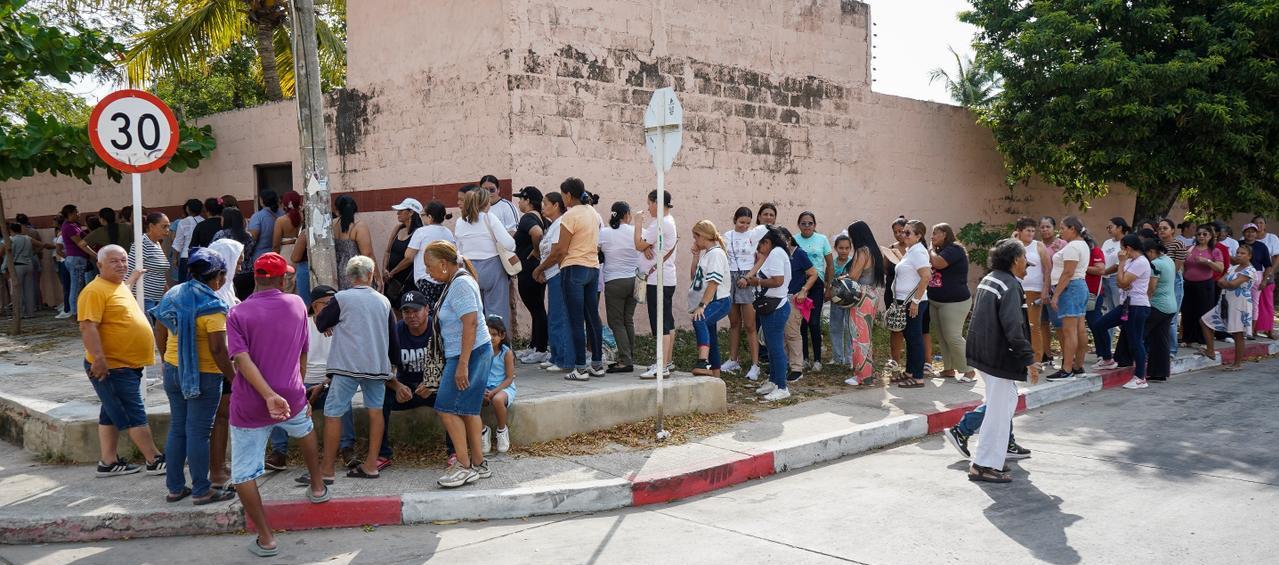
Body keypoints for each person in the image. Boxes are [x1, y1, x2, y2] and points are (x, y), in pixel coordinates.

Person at [225, 252, 329, 558]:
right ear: (282, 279)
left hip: (251, 402)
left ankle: (267, 539)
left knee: (244, 472)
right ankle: (319, 486)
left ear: (256, 277)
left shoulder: (237, 314)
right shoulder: (297, 304)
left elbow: (241, 360)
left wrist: (268, 395)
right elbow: (303, 352)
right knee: (304, 428)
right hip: (293, 392)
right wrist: (294, 385)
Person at [150, 249, 236, 505]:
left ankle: (175, 487)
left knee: (178, 429)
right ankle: (202, 489)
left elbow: (160, 327)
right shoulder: (212, 305)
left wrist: (166, 358)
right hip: (204, 375)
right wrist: (234, 378)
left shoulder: (174, 294)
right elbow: (219, 349)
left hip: (174, 370)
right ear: (218, 276)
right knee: (199, 432)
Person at [77, 245, 166, 477]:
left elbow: (124, 288)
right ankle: (154, 459)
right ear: (100, 265)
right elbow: (87, 326)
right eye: (114, 261)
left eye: (124, 260)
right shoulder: (93, 291)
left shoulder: (117, 286)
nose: (121, 265)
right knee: (132, 411)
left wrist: (135, 277)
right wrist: (98, 358)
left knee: (111, 410)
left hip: (128, 365)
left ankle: (108, 461)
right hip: (113, 366)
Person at [959, 239, 1039, 483]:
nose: (1027, 265)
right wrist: (1029, 359)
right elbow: (1014, 327)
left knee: (1005, 404)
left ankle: (995, 453)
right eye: (1025, 259)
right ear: (1015, 260)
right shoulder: (1010, 286)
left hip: (983, 354)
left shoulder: (991, 278)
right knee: (998, 411)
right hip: (998, 357)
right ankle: (983, 465)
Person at [311, 256, 396, 480]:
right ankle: (371, 465)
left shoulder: (341, 298)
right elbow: (393, 338)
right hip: (376, 366)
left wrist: (331, 323)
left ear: (349, 277)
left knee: (333, 413)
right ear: (370, 275)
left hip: (346, 365)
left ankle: (327, 469)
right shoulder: (383, 301)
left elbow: (320, 323)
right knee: (376, 412)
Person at [422, 241, 494, 488]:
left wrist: (463, 364)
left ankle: (464, 466)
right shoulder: (456, 281)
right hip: (471, 352)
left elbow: (470, 323)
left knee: (445, 407)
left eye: (429, 266)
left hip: (468, 354)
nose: (427, 272)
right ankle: (478, 463)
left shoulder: (460, 283)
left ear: (444, 264)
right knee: (468, 410)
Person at [265, 285, 358, 472]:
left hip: (331, 382)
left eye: (336, 304)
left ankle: (347, 449)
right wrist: (299, 387)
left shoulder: (343, 325)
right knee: (278, 398)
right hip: (301, 383)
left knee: (342, 396)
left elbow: (347, 366)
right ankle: (279, 453)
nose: (334, 308)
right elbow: (288, 361)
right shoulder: (300, 325)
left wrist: (323, 385)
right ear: (315, 306)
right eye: (328, 304)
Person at [379, 290, 455, 469]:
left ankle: (454, 451)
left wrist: (432, 382)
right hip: (405, 388)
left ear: (427, 309)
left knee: (451, 395)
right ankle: (382, 454)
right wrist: (396, 386)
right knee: (379, 398)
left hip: (433, 387)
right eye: (406, 312)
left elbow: (452, 363)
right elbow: (381, 368)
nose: (411, 316)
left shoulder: (438, 329)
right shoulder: (396, 331)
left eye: (416, 310)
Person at [540, 178, 605, 381]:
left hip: (573, 268)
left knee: (575, 319)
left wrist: (540, 268)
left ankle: (580, 367)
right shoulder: (592, 213)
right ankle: (596, 363)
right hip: (592, 268)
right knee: (592, 317)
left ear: (568, 195)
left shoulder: (570, 216)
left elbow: (560, 249)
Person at [1088, 235, 1153, 389]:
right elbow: (1121, 282)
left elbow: (1122, 282)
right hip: (1126, 305)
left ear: (1128, 248)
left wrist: (1122, 264)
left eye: (1123, 248)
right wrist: (1122, 276)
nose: (1122, 252)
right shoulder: (1131, 261)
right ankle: (1107, 358)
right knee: (1099, 325)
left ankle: (1140, 377)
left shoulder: (1141, 262)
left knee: (1135, 340)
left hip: (1137, 306)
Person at [740, 227, 793, 401]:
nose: (758, 251)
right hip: (769, 305)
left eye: (759, 246)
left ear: (767, 242)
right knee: (770, 346)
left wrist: (758, 281)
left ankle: (782, 386)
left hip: (776, 307)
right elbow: (760, 264)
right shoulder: (772, 253)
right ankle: (773, 381)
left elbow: (778, 281)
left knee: (776, 347)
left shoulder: (777, 253)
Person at [456, 188, 517, 336]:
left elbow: (458, 249)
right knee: (497, 311)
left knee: (474, 312)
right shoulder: (490, 218)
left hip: (469, 268)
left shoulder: (460, 221)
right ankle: (500, 349)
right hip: (493, 267)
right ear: (485, 203)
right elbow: (509, 244)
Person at [633, 189, 678, 379]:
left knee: (660, 324)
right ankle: (666, 362)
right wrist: (647, 248)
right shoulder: (669, 221)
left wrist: (637, 224)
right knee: (667, 321)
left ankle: (662, 365)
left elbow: (638, 244)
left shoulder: (660, 223)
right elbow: (650, 246)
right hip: (666, 278)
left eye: (649, 203)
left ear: (657, 203)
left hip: (657, 280)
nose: (648, 208)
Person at [836, 221, 884, 386]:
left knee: (858, 336)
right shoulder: (874, 251)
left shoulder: (862, 251)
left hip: (861, 296)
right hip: (872, 294)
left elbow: (854, 276)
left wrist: (841, 278)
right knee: (866, 336)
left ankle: (862, 376)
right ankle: (868, 373)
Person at [928, 222, 974, 382]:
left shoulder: (955, 249)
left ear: (945, 234)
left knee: (953, 336)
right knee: (942, 336)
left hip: (954, 302)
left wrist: (929, 251)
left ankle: (969, 370)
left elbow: (938, 263)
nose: (932, 236)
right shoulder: (939, 251)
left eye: (935, 233)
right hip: (936, 301)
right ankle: (948, 369)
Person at [533, 193, 574, 372]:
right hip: (551, 275)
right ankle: (556, 355)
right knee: (554, 317)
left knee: (560, 317)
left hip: (558, 274)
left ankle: (564, 359)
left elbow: (557, 252)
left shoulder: (561, 223)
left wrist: (540, 268)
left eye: (546, 204)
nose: (543, 207)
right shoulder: (553, 225)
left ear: (556, 205)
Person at [722, 207, 764, 380]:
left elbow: (761, 258)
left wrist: (748, 277)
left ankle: (755, 364)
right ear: (734, 220)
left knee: (750, 325)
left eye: (748, 223)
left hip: (747, 277)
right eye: (741, 222)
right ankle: (733, 359)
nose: (744, 226)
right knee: (734, 322)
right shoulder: (726, 236)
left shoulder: (754, 236)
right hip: (730, 278)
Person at [1046, 217, 1090, 380]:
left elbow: (1068, 272)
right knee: (1079, 329)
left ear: (1073, 229)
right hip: (1078, 287)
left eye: (1063, 228)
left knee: (1069, 331)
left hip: (1070, 288)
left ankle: (1067, 369)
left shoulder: (1073, 247)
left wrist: (1056, 295)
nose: (1060, 231)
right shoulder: (1081, 244)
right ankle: (1078, 366)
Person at [1199, 245, 1256, 370]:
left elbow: (1232, 284)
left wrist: (1226, 283)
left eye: (1243, 253)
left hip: (1239, 304)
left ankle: (1237, 363)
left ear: (1249, 256)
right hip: (1225, 301)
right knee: (1205, 321)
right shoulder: (1234, 267)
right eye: (1238, 252)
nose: (1239, 255)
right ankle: (1210, 350)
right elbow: (1221, 280)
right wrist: (1226, 283)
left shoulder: (1250, 271)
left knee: (1237, 333)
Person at [600, 200, 641, 373]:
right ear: (627, 215)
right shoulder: (636, 232)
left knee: (616, 322)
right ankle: (629, 355)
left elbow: (596, 250)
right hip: (634, 280)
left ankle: (625, 360)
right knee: (627, 319)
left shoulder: (604, 233)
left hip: (614, 281)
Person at [688, 220, 732, 376]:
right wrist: (695, 256)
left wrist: (702, 305)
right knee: (711, 336)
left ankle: (703, 362)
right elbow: (694, 278)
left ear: (702, 236)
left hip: (718, 300)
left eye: (695, 237)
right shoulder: (707, 254)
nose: (695, 241)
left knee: (699, 320)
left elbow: (714, 283)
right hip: (711, 300)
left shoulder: (716, 254)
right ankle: (715, 373)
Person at [512, 187, 550, 364]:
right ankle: (535, 346)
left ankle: (541, 348)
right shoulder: (543, 218)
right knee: (536, 308)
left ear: (528, 201)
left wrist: (536, 251)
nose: (519, 202)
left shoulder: (528, 217)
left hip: (530, 270)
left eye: (521, 199)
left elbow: (537, 233)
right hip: (535, 270)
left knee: (537, 309)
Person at [893, 220, 932, 388]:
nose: (903, 235)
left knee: (915, 338)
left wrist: (915, 300)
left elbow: (926, 276)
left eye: (908, 232)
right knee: (910, 336)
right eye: (903, 232)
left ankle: (917, 376)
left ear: (918, 236)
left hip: (913, 302)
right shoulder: (911, 251)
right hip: (905, 300)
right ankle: (910, 371)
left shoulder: (918, 252)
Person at [792, 211, 834, 371]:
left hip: (817, 284)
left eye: (810, 223)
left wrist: (828, 287)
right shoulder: (794, 240)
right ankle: (804, 359)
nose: (807, 226)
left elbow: (830, 265)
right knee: (801, 323)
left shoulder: (822, 239)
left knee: (814, 323)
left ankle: (817, 359)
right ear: (799, 225)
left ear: (815, 225)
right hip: (800, 285)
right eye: (803, 223)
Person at [1012, 218, 1051, 370]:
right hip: (1016, 288)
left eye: (1033, 231)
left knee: (1034, 325)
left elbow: (1047, 269)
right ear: (1019, 231)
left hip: (1034, 289)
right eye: (1028, 230)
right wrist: (1013, 239)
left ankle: (1036, 360)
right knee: (1017, 326)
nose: (1031, 234)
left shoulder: (1038, 246)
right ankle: (1020, 359)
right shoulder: (1014, 245)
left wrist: (1045, 290)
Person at [403, 200, 455, 304]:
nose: (421, 218)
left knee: (427, 312)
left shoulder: (421, 232)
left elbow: (408, 256)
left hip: (426, 279)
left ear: (430, 217)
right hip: (445, 280)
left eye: (423, 215)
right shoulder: (448, 233)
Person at [1140, 239, 1177, 381]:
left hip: (1158, 305)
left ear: (1150, 252)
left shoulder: (1155, 264)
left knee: (1139, 334)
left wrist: (1145, 302)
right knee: (1161, 340)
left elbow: (1151, 287)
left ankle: (1134, 364)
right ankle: (1159, 373)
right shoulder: (1168, 260)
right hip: (1170, 306)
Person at [1181, 225, 1225, 345]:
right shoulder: (1190, 248)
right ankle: (1188, 338)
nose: (1201, 236)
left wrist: (1207, 262)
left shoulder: (1215, 251)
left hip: (1205, 284)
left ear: (1210, 236)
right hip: (1188, 284)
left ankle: (1203, 340)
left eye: (1205, 234)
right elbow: (1183, 265)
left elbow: (1220, 268)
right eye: (1199, 234)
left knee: (1203, 312)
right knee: (1188, 311)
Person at [482, 315, 517, 453]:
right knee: (472, 398)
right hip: (486, 387)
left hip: (504, 387)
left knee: (497, 400)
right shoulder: (482, 352)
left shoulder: (506, 353)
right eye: (488, 334)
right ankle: (483, 430)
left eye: (494, 334)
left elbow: (509, 379)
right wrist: (482, 390)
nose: (491, 338)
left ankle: (502, 430)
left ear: (502, 335)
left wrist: (493, 392)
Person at [127, 213, 172, 318]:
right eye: (164, 226)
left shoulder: (156, 243)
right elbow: (130, 271)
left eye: (168, 226)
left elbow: (159, 273)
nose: (167, 230)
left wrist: (168, 293)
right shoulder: (141, 244)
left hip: (157, 299)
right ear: (151, 226)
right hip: (144, 299)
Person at [331, 195, 380, 290]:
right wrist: (377, 277)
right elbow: (368, 254)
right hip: (357, 271)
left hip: (337, 271)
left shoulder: (332, 224)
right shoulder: (359, 226)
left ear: (337, 210)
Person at [383, 198, 424, 310]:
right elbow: (387, 251)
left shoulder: (419, 232)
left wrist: (392, 272)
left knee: (406, 309)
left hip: (406, 279)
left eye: (401, 210)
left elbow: (409, 259)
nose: (398, 213)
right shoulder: (398, 228)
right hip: (390, 278)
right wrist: (385, 270)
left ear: (411, 213)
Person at [1156, 218, 1187, 354]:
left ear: (1172, 230)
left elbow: (1177, 267)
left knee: (1172, 316)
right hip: (1158, 280)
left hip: (1173, 280)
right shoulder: (1156, 244)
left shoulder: (1178, 244)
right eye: (1160, 228)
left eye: (1165, 228)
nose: (1161, 231)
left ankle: (1172, 350)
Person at [214, 207, 256, 299]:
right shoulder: (247, 235)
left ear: (226, 220)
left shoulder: (221, 235)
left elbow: (213, 253)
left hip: (230, 274)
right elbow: (251, 251)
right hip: (248, 274)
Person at [1241, 223, 1275, 339]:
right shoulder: (1238, 244)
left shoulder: (1262, 246)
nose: (1250, 233)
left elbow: (1268, 265)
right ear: (1243, 233)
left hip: (1257, 276)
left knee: (1254, 304)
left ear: (1256, 233)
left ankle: (1251, 331)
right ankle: (1239, 329)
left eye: (1253, 231)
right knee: (1239, 303)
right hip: (1240, 274)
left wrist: (1265, 280)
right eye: (1247, 231)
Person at [271, 191, 306, 303]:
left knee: (286, 286)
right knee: (298, 286)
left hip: (285, 253)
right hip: (300, 252)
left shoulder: (280, 221)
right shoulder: (303, 217)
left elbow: (275, 244)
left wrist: (274, 259)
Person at [0, 223, 41, 318]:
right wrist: (33, 253)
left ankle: (19, 313)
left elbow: (1, 252)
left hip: (17, 266)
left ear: (10, 230)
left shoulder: (9, 239)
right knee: (29, 290)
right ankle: (30, 312)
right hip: (28, 264)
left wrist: (4, 267)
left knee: (16, 291)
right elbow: (40, 245)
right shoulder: (27, 238)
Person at [829, 235, 855, 368]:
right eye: (841, 248)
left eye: (847, 248)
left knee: (849, 328)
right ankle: (837, 357)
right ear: (835, 248)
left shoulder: (853, 263)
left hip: (850, 301)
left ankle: (849, 357)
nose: (844, 251)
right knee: (835, 327)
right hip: (836, 301)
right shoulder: (832, 264)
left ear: (850, 249)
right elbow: (828, 280)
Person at [1100, 218, 1131, 315]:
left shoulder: (1126, 242)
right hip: (1104, 278)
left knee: (1119, 306)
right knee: (1109, 308)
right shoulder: (1107, 242)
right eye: (1107, 227)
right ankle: (1110, 330)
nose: (1108, 229)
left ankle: (1124, 328)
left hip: (1116, 278)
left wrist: (1104, 271)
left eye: (1111, 227)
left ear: (1120, 228)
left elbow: (1120, 263)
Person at [171, 199, 204, 284]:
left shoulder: (182, 222)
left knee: (184, 284)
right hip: (201, 256)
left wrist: (175, 258)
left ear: (187, 209)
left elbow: (178, 242)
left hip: (186, 257)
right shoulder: (204, 221)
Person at [246, 190, 282, 262]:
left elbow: (252, 238)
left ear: (262, 201)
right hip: (280, 255)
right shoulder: (283, 215)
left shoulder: (257, 217)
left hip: (261, 257)